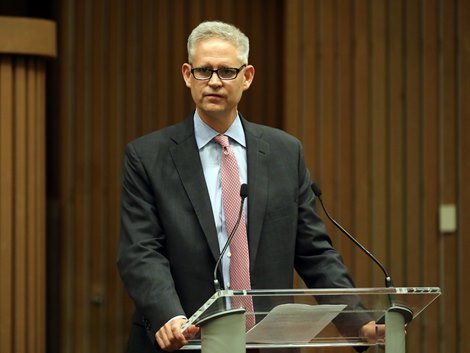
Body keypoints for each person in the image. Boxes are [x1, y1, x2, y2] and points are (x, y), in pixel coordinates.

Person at [117, 20, 382, 353]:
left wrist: (360, 322)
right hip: (185, 340)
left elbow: (315, 252)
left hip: (267, 345)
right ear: (187, 75)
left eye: (227, 71)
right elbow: (140, 251)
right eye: (203, 71)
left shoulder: (285, 153)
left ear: (248, 77)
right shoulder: (147, 156)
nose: (213, 81)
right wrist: (169, 316)